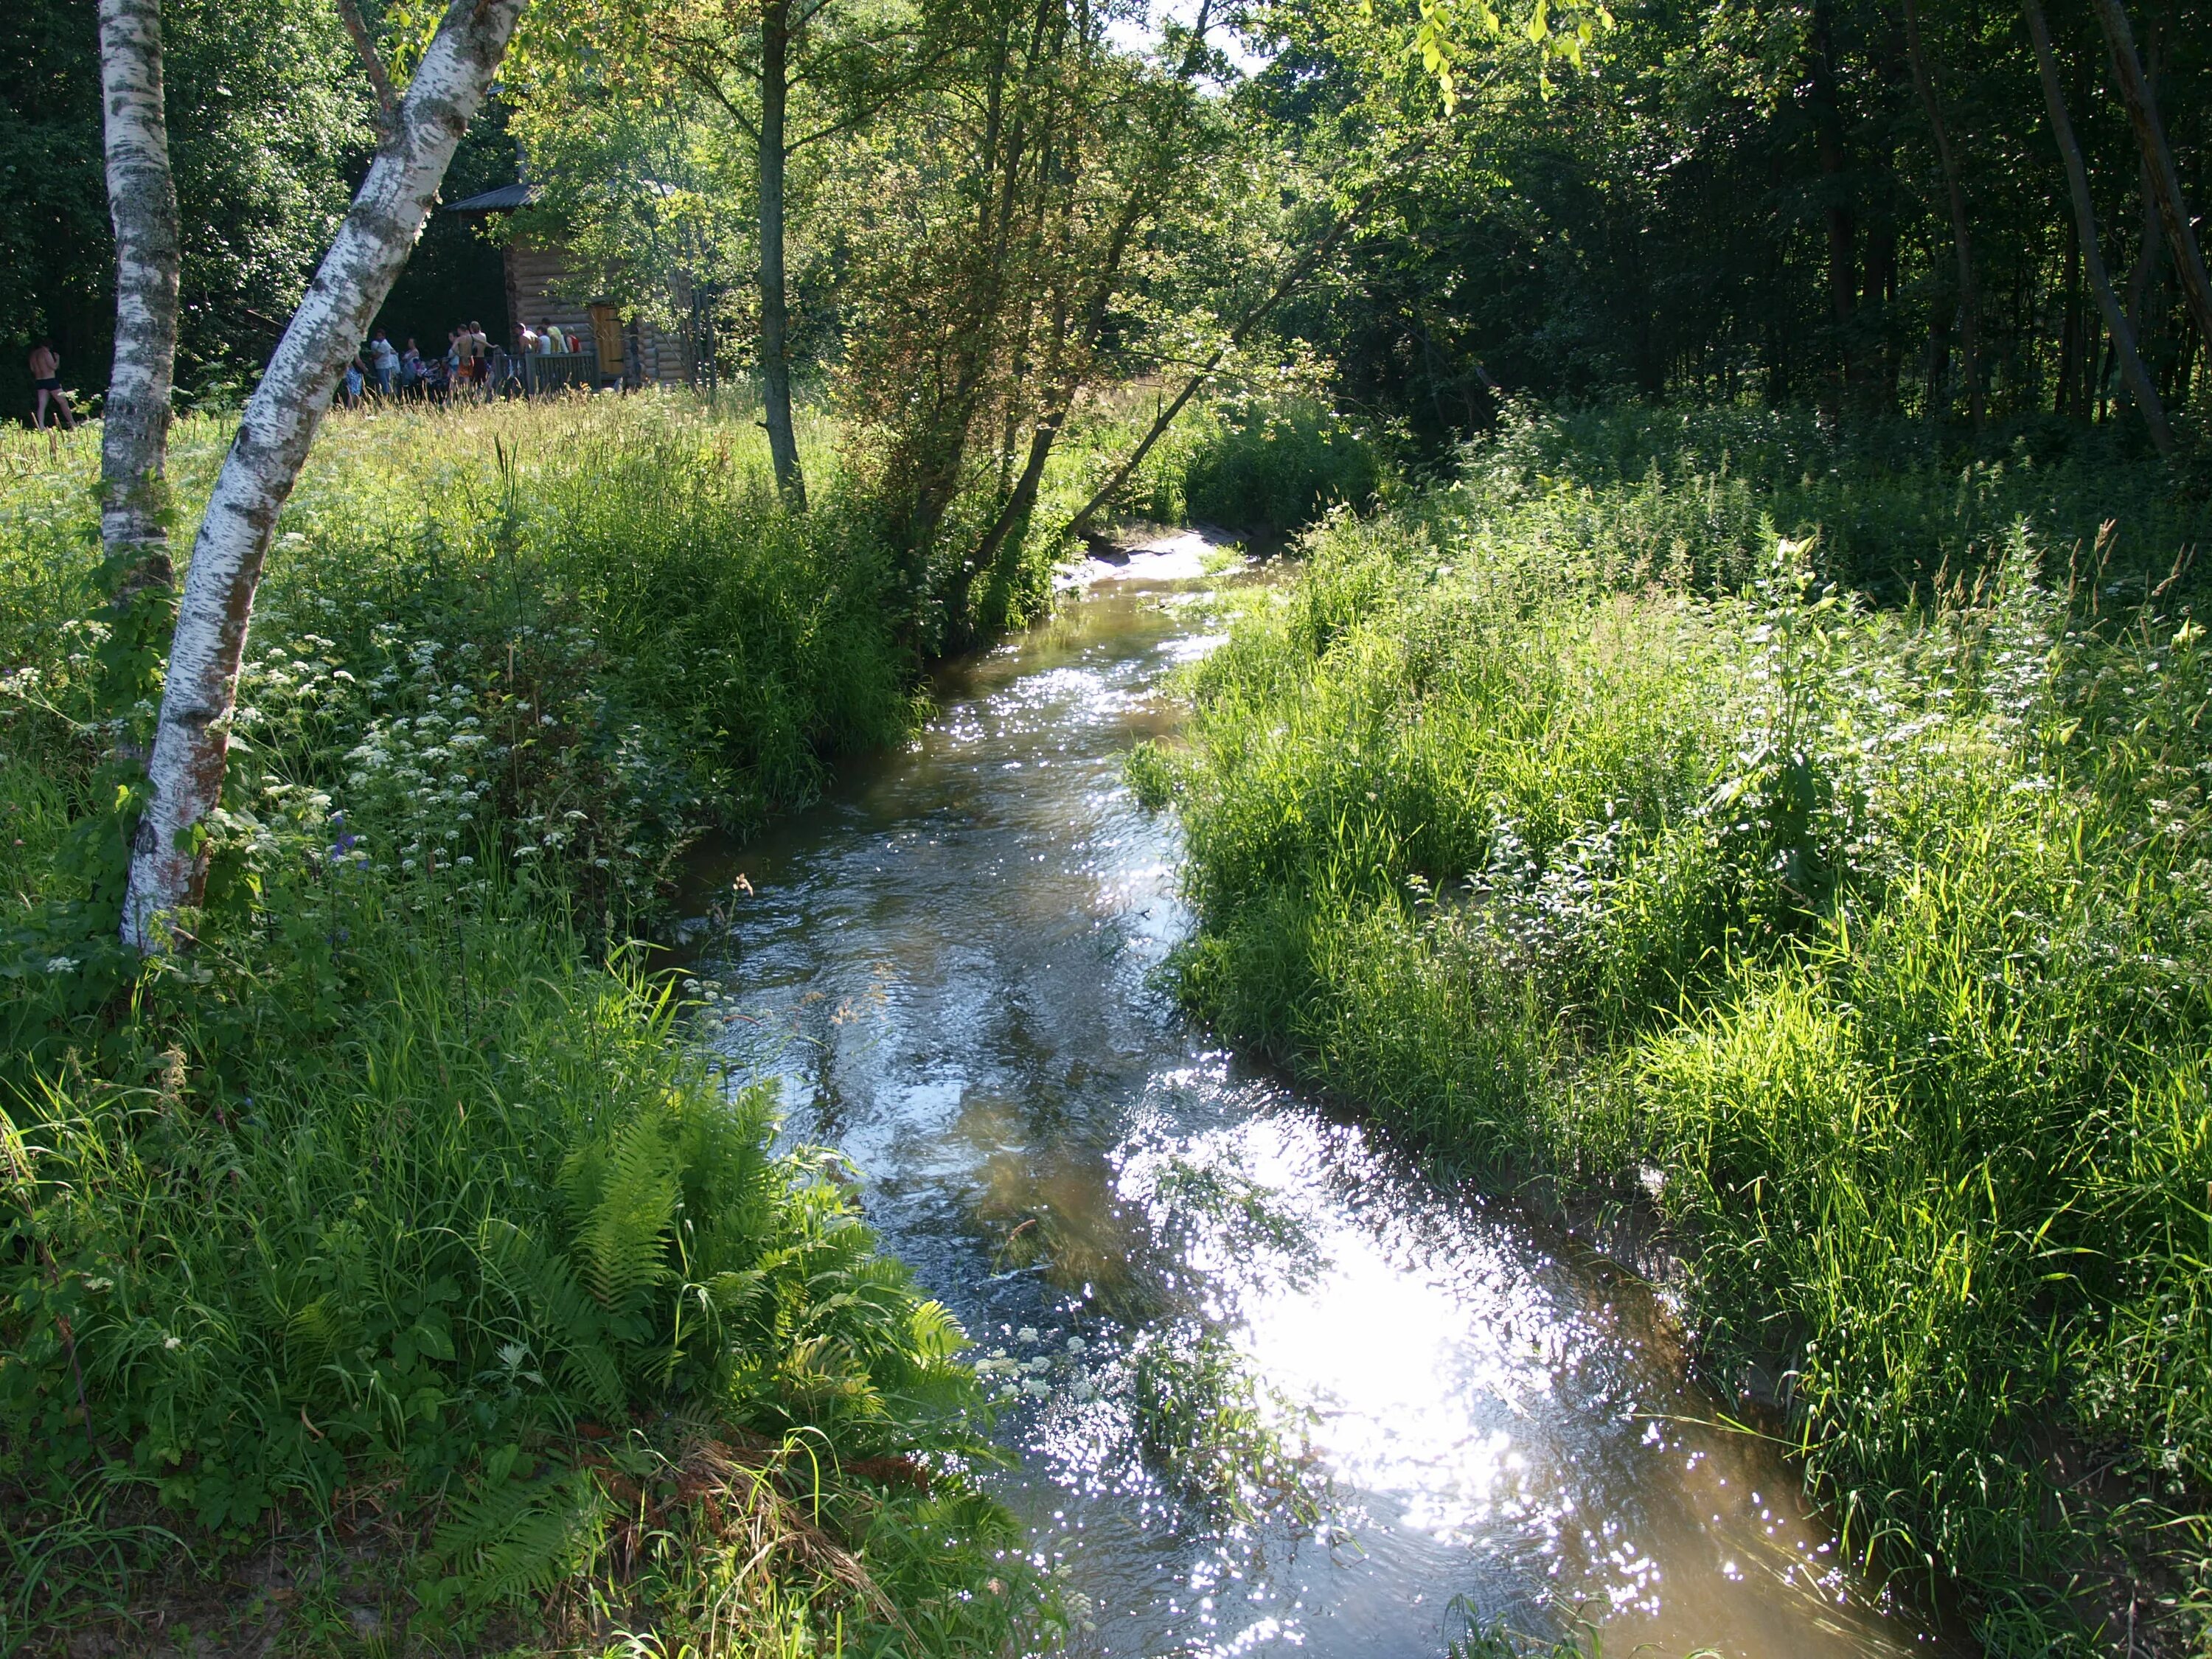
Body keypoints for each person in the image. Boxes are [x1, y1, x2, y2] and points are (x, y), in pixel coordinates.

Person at [27, 341, 75, 430]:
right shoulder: (46, 352)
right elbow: (53, 367)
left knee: (42, 405)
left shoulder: (33, 354)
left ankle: (40, 426)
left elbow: (32, 369)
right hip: (50, 380)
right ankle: (72, 423)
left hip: (39, 380)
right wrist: (57, 359)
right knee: (63, 402)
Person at [369, 329, 400, 397]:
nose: (378, 337)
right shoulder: (377, 343)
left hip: (383, 366)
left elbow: (377, 356)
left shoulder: (384, 344)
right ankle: (386, 396)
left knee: (384, 383)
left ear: (383, 336)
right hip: (383, 366)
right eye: (377, 335)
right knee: (384, 382)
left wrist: (371, 357)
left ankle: (386, 397)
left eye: (380, 335)